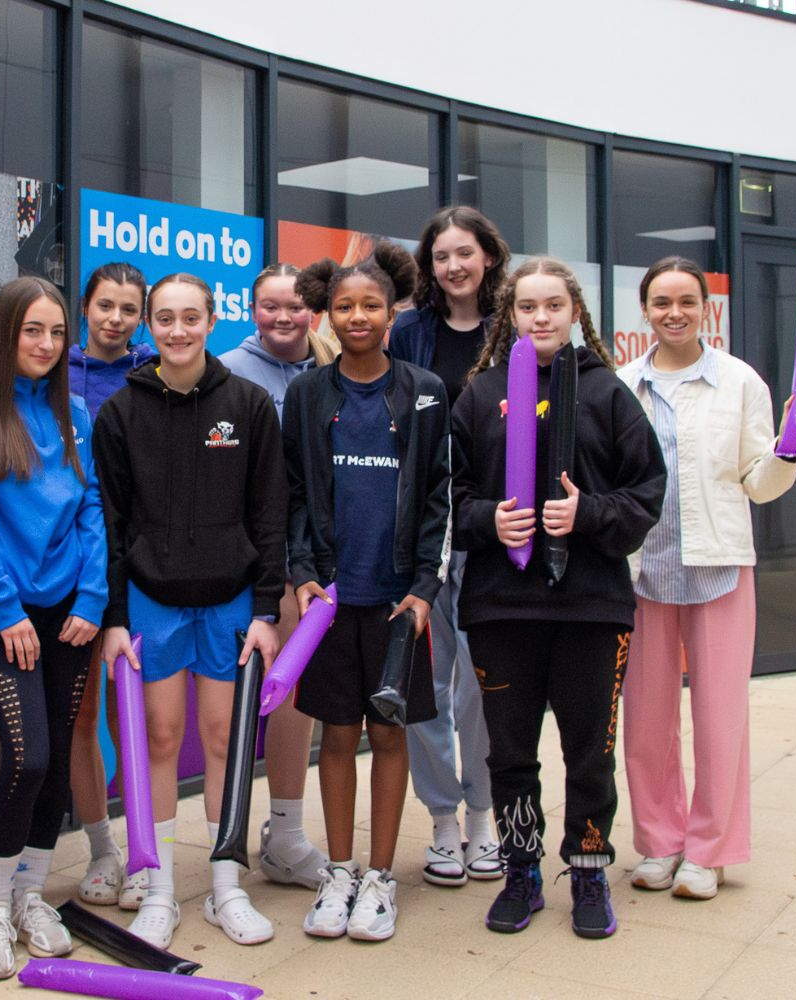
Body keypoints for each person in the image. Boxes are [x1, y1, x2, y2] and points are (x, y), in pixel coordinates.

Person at [451, 257, 665, 939]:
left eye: (552, 306)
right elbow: (442, 497)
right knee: (508, 754)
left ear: (575, 313)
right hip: (499, 607)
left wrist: (589, 515)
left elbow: (645, 494)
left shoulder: (608, 395)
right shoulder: (479, 396)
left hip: (590, 608)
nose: (539, 318)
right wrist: (487, 520)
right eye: (525, 307)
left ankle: (590, 867)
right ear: (507, 316)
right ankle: (520, 866)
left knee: (588, 752)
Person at [618, 257, 796, 901]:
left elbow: (758, 483)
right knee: (646, 723)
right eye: (660, 302)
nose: (673, 312)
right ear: (644, 310)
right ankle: (659, 842)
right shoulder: (623, 384)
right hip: (642, 569)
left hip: (720, 564)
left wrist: (789, 448)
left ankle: (710, 850)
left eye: (686, 300)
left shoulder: (740, 383)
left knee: (719, 717)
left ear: (706, 307)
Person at [93, 272, 286, 950]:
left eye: (190, 318)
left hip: (231, 598)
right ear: (148, 324)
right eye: (165, 318)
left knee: (223, 740)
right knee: (160, 738)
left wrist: (266, 607)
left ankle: (225, 886)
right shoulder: (121, 411)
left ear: (211, 321)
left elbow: (269, 514)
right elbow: (110, 525)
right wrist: (114, 617)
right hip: (151, 599)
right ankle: (162, 888)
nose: (177, 330)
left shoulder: (251, 405)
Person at [0, 276, 106, 980]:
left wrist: (92, 597)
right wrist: (5, 610)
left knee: (58, 760)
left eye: (56, 332)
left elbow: (92, 509)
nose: (45, 343)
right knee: (26, 758)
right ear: (7, 334)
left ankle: (33, 896)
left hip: (69, 612)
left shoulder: (76, 415)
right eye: (33, 330)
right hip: (4, 612)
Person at [282, 244, 450, 942]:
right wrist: (300, 572)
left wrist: (422, 589)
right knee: (338, 735)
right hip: (328, 601)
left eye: (370, 305)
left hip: (396, 604)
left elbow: (441, 494)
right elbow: (290, 493)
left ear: (392, 311)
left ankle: (380, 878)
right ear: (328, 311)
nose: (357, 316)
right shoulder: (306, 393)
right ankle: (339, 872)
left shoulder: (425, 390)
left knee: (388, 733)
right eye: (345, 305)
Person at [389, 206, 510, 886]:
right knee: (425, 685)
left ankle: (482, 816)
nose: (453, 266)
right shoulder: (409, 334)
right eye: (440, 256)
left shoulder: (514, 328)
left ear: (487, 256)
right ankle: (440, 821)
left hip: (493, 531)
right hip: (424, 532)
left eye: (464, 252)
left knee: (482, 686)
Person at [219, 262, 330, 891]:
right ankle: (225, 840)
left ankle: (284, 834)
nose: (282, 317)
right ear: (251, 308)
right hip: (248, 563)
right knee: (230, 710)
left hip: (311, 563)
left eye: (293, 306)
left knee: (296, 699)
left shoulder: (329, 373)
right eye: (269, 306)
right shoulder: (230, 372)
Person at [66, 262, 155, 910]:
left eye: (128, 308)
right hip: (73, 564)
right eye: (105, 306)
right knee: (81, 717)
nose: (115, 319)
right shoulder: (55, 374)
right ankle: (102, 849)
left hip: (141, 565)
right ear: (85, 307)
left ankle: (145, 848)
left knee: (138, 719)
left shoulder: (155, 373)